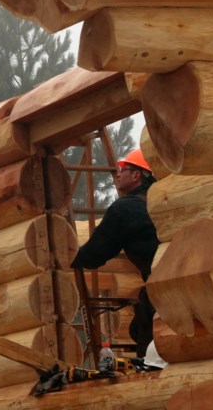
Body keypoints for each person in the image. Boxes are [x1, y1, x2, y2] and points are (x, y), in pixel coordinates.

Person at [71, 148, 160, 357]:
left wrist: (71, 258)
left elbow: (96, 253)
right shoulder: (160, 201)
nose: (118, 174)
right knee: (138, 329)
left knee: (149, 347)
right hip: (177, 279)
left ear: (137, 175)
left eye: (124, 170)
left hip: (160, 285)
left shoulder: (125, 209)